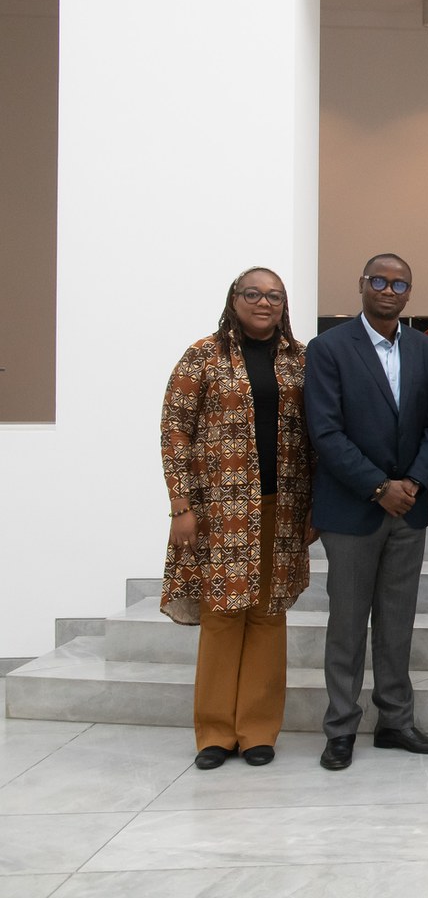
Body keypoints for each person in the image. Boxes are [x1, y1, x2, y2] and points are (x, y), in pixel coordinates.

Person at [160, 267, 316, 770]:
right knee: (223, 614)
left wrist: (313, 506)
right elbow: (174, 431)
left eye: (274, 295)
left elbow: (315, 437)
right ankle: (214, 732)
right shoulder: (203, 355)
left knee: (268, 614)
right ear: (235, 298)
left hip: (282, 506)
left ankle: (257, 730)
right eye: (253, 293)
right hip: (217, 511)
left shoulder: (299, 361)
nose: (264, 302)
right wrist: (180, 505)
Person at [304, 252, 428, 771]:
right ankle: (341, 727)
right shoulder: (327, 348)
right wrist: (377, 486)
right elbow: (324, 431)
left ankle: (395, 721)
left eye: (400, 283)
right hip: (352, 511)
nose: (389, 290)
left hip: (407, 511)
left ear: (410, 292)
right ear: (362, 284)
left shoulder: (426, 348)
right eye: (380, 281)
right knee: (346, 624)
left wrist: (410, 483)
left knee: (397, 623)